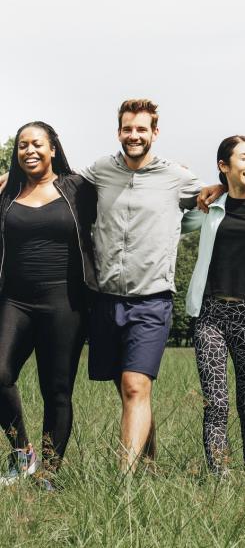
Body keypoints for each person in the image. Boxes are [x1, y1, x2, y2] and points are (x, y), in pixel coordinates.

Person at [182, 136, 245, 474]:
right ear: (224, 165)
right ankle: (221, 475)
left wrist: (220, 182)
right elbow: (173, 218)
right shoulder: (209, 208)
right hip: (210, 315)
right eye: (243, 158)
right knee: (216, 402)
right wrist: (211, 189)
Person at [0, 122, 97, 487]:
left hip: (65, 303)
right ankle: (23, 454)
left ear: (52, 148)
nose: (30, 151)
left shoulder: (78, 189)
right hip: (15, 301)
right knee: (1, 375)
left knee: (56, 390)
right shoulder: (7, 194)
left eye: (37, 144)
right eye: (23, 145)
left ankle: (49, 473)